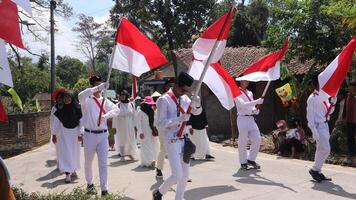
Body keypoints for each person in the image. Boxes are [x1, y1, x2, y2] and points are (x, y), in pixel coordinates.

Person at [153, 72, 202, 200]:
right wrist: (179, 119)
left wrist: (197, 103)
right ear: (175, 85)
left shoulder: (185, 98)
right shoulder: (163, 100)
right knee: (177, 175)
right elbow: (160, 123)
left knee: (185, 174)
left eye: (186, 90)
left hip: (184, 139)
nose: (183, 92)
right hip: (172, 139)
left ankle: (179, 198)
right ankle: (159, 192)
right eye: (182, 89)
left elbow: (197, 112)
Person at [78, 75, 119, 196]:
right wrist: (97, 88)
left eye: (101, 85)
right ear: (92, 86)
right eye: (96, 85)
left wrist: (106, 116)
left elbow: (117, 110)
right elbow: (80, 95)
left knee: (103, 163)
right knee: (88, 162)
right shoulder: (86, 100)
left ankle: (104, 189)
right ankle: (90, 184)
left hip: (102, 135)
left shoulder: (105, 101)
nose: (99, 88)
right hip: (89, 134)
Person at [307, 75, 336, 182]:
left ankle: (317, 171)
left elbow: (329, 112)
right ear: (318, 84)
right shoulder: (312, 98)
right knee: (326, 149)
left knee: (320, 149)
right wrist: (313, 130)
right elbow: (309, 116)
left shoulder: (324, 96)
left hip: (325, 125)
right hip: (318, 127)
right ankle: (314, 169)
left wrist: (333, 103)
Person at [51, 91, 82, 183]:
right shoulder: (59, 111)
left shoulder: (78, 109)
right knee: (66, 153)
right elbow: (56, 124)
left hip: (75, 134)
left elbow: (81, 122)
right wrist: (54, 134)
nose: (67, 100)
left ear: (72, 98)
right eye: (65, 98)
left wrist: (81, 133)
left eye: (69, 98)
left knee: (75, 152)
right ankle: (67, 173)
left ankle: (74, 170)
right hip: (64, 134)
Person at [234, 79, 264, 170]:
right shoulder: (236, 92)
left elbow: (251, 105)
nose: (247, 81)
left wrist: (255, 109)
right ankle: (243, 162)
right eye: (245, 80)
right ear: (241, 81)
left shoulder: (250, 93)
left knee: (257, 139)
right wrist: (257, 101)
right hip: (242, 118)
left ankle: (251, 159)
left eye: (248, 80)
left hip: (251, 118)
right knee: (243, 141)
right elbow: (242, 105)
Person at [112, 90, 137, 161]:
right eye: (121, 95)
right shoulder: (118, 105)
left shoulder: (131, 104)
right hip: (121, 124)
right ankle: (122, 155)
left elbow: (134, 116)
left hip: (130, 124)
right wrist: (114, 127)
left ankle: (130, 153)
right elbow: (115, 116)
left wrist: (135, 125)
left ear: (126, 96)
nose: (122, 96)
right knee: (122, 139)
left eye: (124, 95)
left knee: (131, 139)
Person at [136, 96, 160, 167]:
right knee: (146, 146)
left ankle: (154, 159)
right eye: (149, 104)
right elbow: (137, 123)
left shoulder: (152, 110)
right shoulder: (140, 111)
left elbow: (154, 120)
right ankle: (150, 161)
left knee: (154, 145)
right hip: (144, 131)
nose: (150, 105)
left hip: (152, 130)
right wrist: (140, 132)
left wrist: (155, 129)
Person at [343, 80, 356, 156]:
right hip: (349, 120)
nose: (349, 88)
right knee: (350, 137)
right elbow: (345, 108)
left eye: (350, 86)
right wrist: (344, 117)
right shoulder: (347, 96)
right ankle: (351, 152)